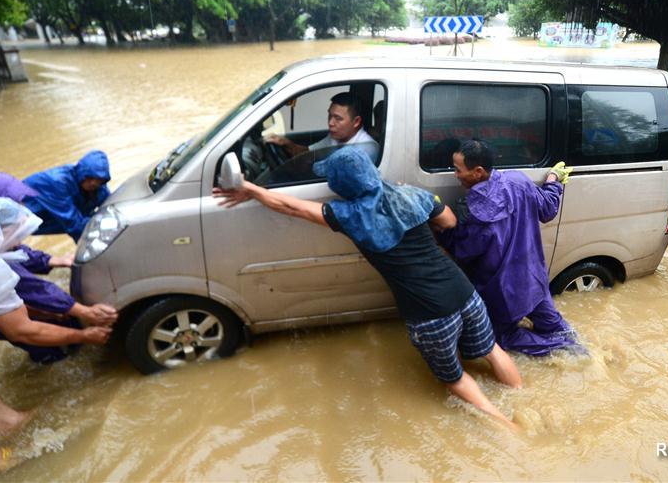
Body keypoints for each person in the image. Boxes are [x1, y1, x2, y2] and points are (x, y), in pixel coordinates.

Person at [213, 147, 522, 426]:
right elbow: (451, 221)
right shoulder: (413, 195)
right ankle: (524, 401)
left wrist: (249, 189)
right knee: (492, 352)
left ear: (342, 186)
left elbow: (292, 207)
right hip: (464, 292)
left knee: (454, 380)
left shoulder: (350, 215)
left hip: (431, 314)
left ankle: (508, 428)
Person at [0, 197, 111, 478]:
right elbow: (24, 329)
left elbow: (5, 305)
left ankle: (7, 423)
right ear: (0, 233)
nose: (20, 245)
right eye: (18, 237)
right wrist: (85, 335)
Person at [0, 170, 117, 363]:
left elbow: (10, 249)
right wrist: (83, 325)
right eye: (19, 233)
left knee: (30, 310)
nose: (20, 242)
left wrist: (49, 260)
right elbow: (23, 321)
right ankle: (52, 358)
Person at [437, 139, 582, 357]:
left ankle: (559, 349)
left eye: (458, 170)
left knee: (501, 338)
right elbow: (548, 209)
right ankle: (582, 352)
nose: (455, 175)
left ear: (477, 172)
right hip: (534, 279)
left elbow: (463, 251)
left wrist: (441, 225)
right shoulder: (519, 181)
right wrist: (553, 180)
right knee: (558, 327)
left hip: (504, 291)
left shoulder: (470, 209)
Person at [23, 150, 111, 242]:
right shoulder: (58, 182)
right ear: (82, 172)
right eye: (90, 178)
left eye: (98, 180)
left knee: (99, 220)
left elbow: (110, 207)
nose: (93, 183)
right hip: (27, 214)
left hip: (54, 214)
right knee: (85, 225)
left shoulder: (99, 188)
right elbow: (73, 224)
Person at [266, 92, 379, 161]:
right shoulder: (335, 137)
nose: (330, 122)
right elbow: (309, 153)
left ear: (356, 122)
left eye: (338, 118)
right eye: (329, 115)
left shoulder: (366, 148)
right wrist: (286, 143)